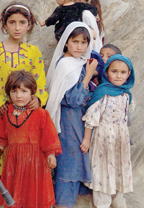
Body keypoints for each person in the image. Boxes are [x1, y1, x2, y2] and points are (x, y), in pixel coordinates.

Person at [0, 2, 49, 176]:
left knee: (23, 152)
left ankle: (22, 192)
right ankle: (3, 191)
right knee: (1, 150)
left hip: (25, 113)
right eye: (12, 22)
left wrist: (37, 99)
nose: (17, 27)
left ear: (29, 25)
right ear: (4, 24)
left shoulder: (33, 52)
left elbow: (39, 81)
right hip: (0, 113)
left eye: (22, 22)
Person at [45, 22, 98, 208]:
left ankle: (71, 199)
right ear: (66, 42)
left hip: (79, 118)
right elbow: (72, 100)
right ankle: (63, 203)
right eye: (75, 42)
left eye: (84, 43)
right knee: (69, 160)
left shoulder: (81, 62)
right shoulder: (65, 65)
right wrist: (87, 76)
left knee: (77, 157)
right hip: (67, 120)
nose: (80, 47)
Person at [0, 71, 62, 208]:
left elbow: (49, 135)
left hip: (36, 161)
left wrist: (51, 154)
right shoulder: (5, 113)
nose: (19, 95)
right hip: (14, 160)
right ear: (8, 93)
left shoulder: (41, 114)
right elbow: (2, 135)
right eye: (14, 91)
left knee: (34, 190)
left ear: (32, 92)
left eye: (24, 91)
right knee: (16, 190)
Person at [82, 54, 134, 208]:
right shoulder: (102, 93)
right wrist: (86, 139)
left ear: (129, 74)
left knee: (120, 165)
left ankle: (118, 198)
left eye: (123, 72)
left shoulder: (126, 94)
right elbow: (91, 118)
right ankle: (102, 203)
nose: (119, 76)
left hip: (120, 138)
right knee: (103, 168)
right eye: (114, 71)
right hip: (103, 138)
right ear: (106, 72)